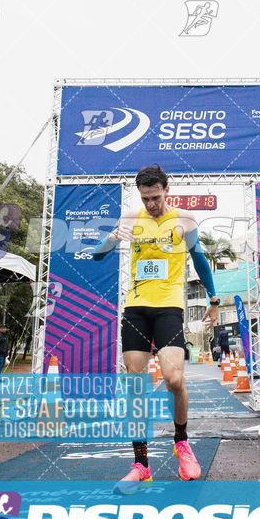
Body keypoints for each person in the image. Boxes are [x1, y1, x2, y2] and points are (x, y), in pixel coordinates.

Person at [93, 164, 220, 492]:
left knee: (174, 379)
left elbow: (200, 260)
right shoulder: (129, 219)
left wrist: (214, 298)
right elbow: (97, 256)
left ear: (166, 190)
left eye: (155, 197)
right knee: (135, 386)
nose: (150, 203)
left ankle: (181, 443)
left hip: (169, 309)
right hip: (136, 308)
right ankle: (141, 465)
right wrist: (110, 239)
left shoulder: (183, 220)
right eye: (145, 198)